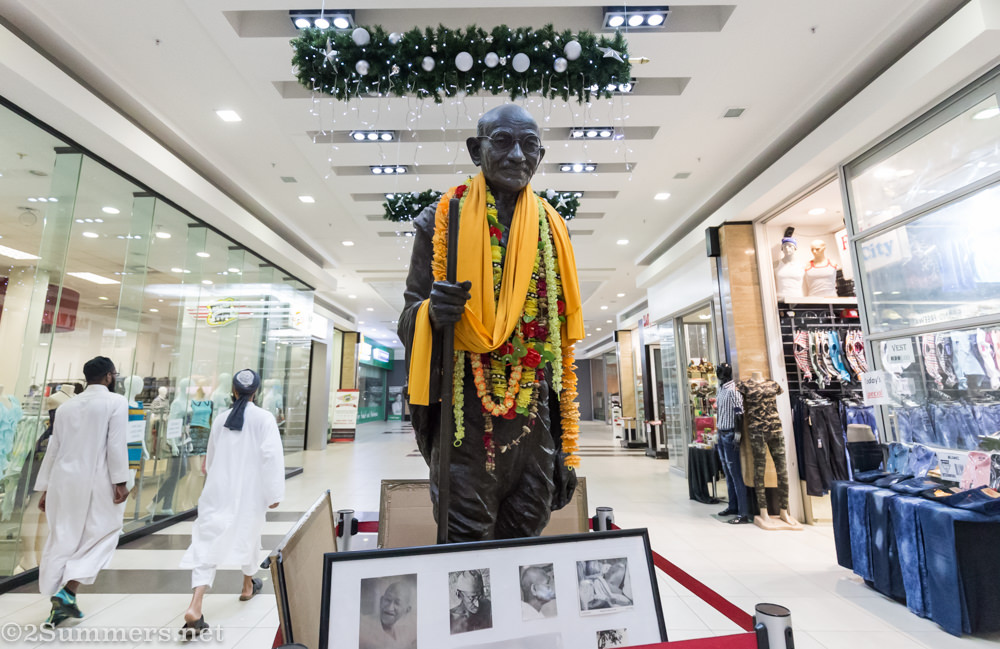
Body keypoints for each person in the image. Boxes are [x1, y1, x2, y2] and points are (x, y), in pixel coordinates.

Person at [398, 104, 585, 542]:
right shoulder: (442, 221)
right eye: (502, 141)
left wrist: (565, 448)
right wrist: (432, 313)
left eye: (529, 145)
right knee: (466, 559)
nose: (517, 155)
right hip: (465, 425)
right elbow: (409, 315)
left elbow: (558, 344)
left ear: (541, 155)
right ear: (474, 149)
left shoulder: (553, 230)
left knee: (524, 545)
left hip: (532, 422)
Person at [178, 369, 285, 636]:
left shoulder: (222, 419)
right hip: (250, 492)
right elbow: (271, 457)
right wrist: (274, 494)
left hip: (218, 489)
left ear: (234, 391)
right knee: (249, 534)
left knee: (206, 541)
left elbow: (211, 459)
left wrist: (214, 482)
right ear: (256, 392)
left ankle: (196, 604)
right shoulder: (264, 418)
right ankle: (247, 586)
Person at [34, 356, 130, 627]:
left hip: (63, 480)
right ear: (110, 376)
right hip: (97, 477)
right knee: (105, 533)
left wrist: (45, 488)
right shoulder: (115, 402)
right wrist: (120, 481)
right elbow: (115, 444)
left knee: (63, 535)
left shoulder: (67, 406)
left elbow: (54, 448)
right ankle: (67, 591)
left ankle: (59, 598)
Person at [359, 580, 417, 649]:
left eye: (397, 603)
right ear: (381, 601)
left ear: (407, 610)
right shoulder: (363, 625)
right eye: (387, 600)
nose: (390, 607)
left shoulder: (404, 634)